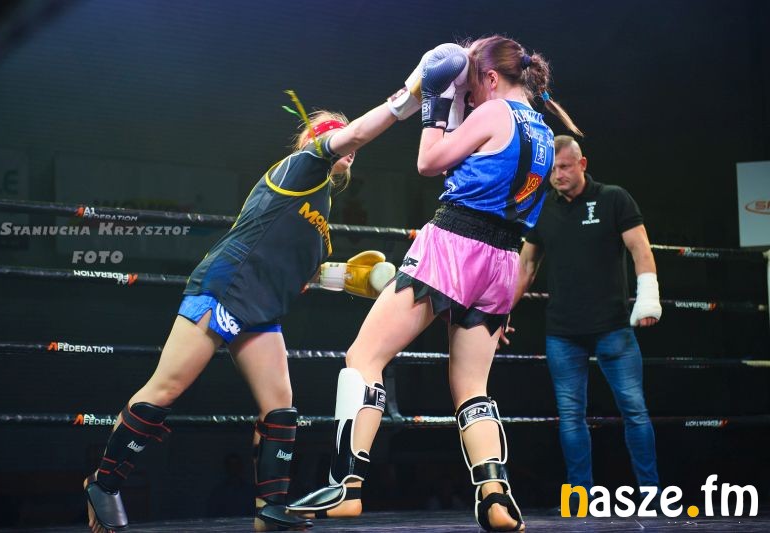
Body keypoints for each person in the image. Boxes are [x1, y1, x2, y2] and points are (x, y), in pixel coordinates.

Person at [82, 88, 414, 533]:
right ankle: (103, 484)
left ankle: (269, 510)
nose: (349, 144)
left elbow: (301, 272)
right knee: (166, 388)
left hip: (261, 308)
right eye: (337, 133)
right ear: (315, 140)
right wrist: (404, 102)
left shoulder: (321, 202)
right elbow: (352, 135)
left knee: (280, 409)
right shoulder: (302, 166)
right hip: (225, 287)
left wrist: (350, 277)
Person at [288, 36, 582, 532]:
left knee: (364, 357)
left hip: (454, 245)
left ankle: (346, 485)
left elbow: (428, 162)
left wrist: (436, 102)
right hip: (502, 263)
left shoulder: (496, 112)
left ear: (491, 78)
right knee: (472, 386)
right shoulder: (544, 133)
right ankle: (496, 496)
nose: (470, 95)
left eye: (474, 86)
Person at [513, 135, 661, 508]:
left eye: (565, 167)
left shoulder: (613, 198)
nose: (557, 175)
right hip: (563, 332)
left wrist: (648, 298)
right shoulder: (543, 208)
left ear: (582, 164)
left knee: (634, 410)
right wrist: (502, 311)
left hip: (613, 326)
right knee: (570, 417)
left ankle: (651, 494)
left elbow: (640, 249)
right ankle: (581, 497)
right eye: (552, 169)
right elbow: (526, 266)